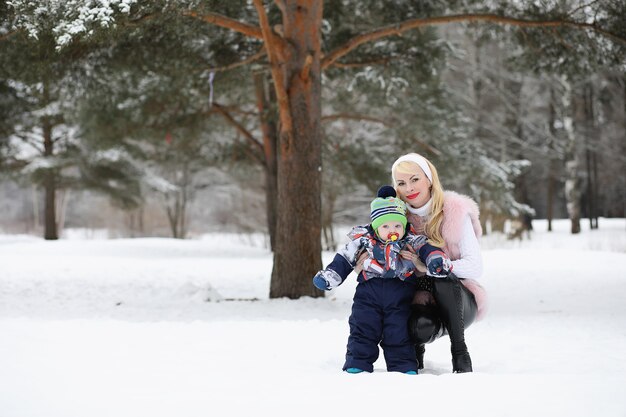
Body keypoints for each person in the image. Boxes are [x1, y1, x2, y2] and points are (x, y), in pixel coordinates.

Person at [313, 185, 453, 374]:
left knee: (399, 330)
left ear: (404, 225)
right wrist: (331, 276)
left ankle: (402, 365)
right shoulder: (364, 240)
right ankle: (358, 363)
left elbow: (428, 249)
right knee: (363, 327)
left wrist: (435, 260)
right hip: (368, 295)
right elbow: (344, 258)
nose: (392, 230)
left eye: (397, 225)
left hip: (400, 296)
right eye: (385, 226)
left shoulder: (410, 239)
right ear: (376, 226)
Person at [386, 152, 487, 373]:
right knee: (417, 325)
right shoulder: (393, 217)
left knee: (441, 273)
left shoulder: (454, 210)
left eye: (415, 179)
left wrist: (429, 268)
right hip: (419, 298)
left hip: (457, 298)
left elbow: (474, 266)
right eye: (402, 183)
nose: (409, 188)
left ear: (429, 179)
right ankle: (414, 352)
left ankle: (460, 352)